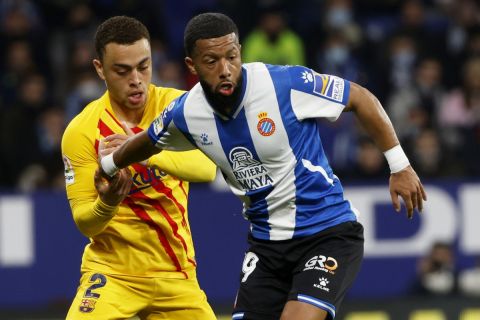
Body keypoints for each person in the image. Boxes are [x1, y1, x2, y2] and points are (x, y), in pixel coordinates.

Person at [99, 13, 427, 320]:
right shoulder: (186, 113)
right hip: (267, 249)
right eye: (212, 61)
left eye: (231, 56)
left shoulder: (285, 84)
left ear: (240, 51)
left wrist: (399, 165)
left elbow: (360, 98)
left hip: (327, 233)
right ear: (192, 65)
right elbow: (149, 140)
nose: (225, 69)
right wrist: (110, 163)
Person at [61, 16, 217, 320]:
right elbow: (84, 223)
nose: (136, 79)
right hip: (112, 274)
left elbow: (207, 169)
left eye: (144, 66)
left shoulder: (177, 108)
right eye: (122, 70)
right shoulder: (81, 131)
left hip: (176, 273)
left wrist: (142, 149)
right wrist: (107, 202)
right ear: (99, 69)